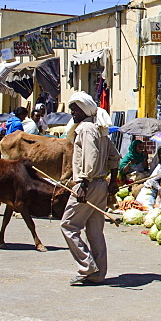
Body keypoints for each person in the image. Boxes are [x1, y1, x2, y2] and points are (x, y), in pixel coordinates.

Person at [61, 92, 117, 286]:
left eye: (75, 109)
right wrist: (113, 182)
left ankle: (87, 267)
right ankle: (98, 274)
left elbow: (90, 157)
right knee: (95, 231)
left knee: (68, 225)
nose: (72, 113)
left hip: (88, 184)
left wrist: (83, 182)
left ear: (84, 110)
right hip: (101, 184)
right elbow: (114, 157)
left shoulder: (85, 129)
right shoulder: (100, 129)